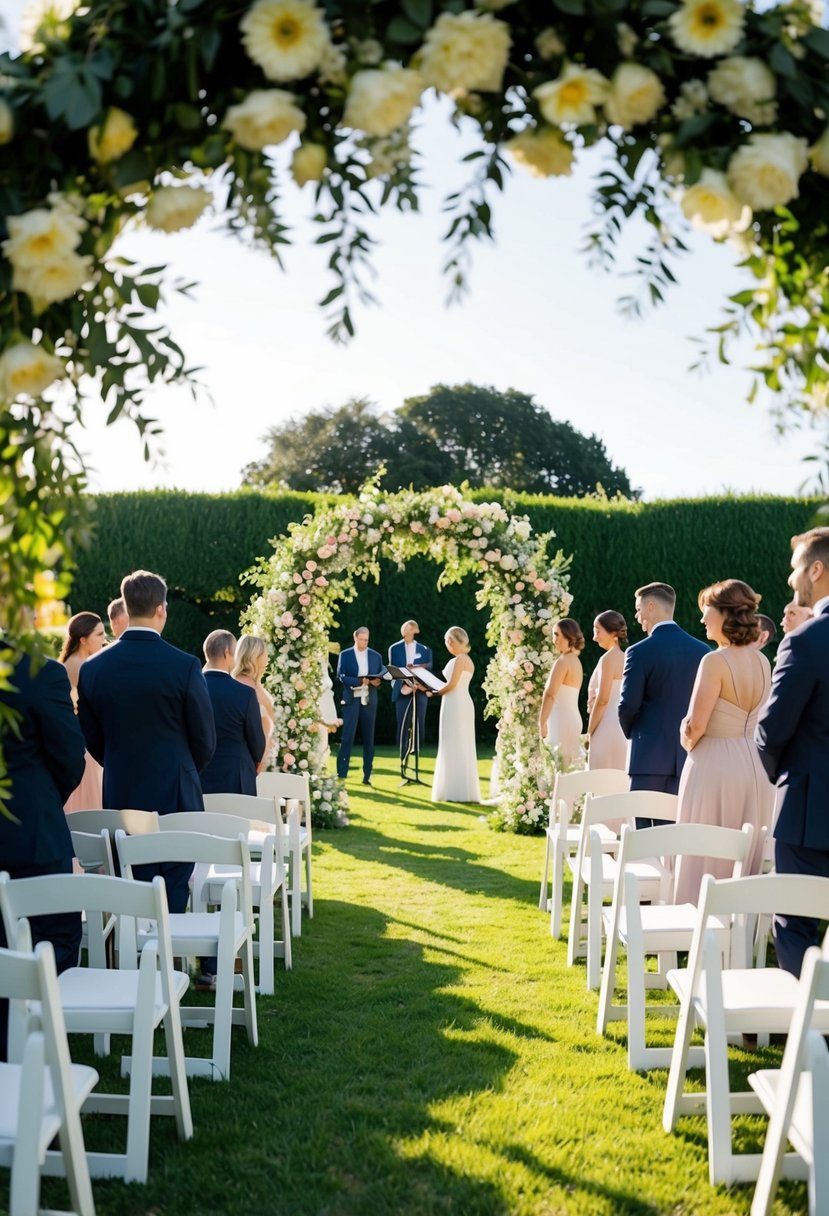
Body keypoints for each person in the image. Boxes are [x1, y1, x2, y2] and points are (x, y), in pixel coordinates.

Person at [77, 569, 216, 912]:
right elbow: (205, 739)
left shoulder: (93, 669)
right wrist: (183, 768)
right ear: (161, 609)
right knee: (175, 885)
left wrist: (120, 761)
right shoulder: (184, 665)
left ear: (126, 607)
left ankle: (136, 957)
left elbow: (92, 737)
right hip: (176, 792)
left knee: (130, 882)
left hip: (122, 789)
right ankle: (171, 959)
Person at [0, 639, 87, 1057]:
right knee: (55, 940)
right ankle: (39, 1050)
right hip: (31, 836)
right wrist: (42, 799)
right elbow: (70, 755)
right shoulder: (39, 671)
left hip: (30, 834)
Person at [756, 527, 829, 976]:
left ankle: (811, 1039)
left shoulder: (806, 641)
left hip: (808, 813)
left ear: (817, 570)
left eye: (796, 567)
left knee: (795, 922)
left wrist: (787, 779)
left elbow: (771, 730)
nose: (791, 580)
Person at [673, 580, 774, 903]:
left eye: (707, 613)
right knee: (743, 848)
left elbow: (695, 725)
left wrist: (686, 738)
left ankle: (696, 917)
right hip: (754, 767)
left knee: (704, 842)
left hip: (714, 767)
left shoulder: (714, 661)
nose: (702, 620)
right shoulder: (762, 661)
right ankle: (740, 924)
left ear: (726, 615)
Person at [618, 582, 709, 827]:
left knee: (644, 836)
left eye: (638, 610)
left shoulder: (639, 651)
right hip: (687, 758)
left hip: (647, 759)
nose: (636, 617)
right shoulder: (702, 651)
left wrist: (636, 735)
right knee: (676, 834)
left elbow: (627, 706)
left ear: (650, 606)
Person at [199, 629, 265, 796]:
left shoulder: (191, 689)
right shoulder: (245, 693)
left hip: (199, 776)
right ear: (227, 653)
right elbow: (257, 743)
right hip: (236, 778)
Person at [59, 611, 106, 812]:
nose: (105, 640)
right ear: (83, 639)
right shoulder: (81, 666)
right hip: (84, 744)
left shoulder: (69, 662)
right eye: (99, 635)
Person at [431, 626, 481, 803]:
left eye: (447, 641)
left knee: (452, 741)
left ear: (451, 641)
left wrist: (434, 692)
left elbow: (451, 685)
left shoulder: (460, 659)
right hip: (463, 702)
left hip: (455, 702)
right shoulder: (468, 660)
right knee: (461, 741)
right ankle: (461, 789)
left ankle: (453, 790)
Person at [336, 627, 386, 784]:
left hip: (369, 700)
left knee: (369, 739)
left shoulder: (376, 656)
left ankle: (367, 775)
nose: (364, 642)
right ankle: (342, 774)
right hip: (351, 700)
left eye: (367, 640)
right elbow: (341, 676)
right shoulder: (345, 655)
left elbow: (380, 675)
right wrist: (359, 681)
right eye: (362, 639)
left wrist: (377, 681)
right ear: (355, 638)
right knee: (347, 737)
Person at [538, 618, 584, 768]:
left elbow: (550, 694)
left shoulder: (563, 661)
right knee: (568, 768)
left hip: (561, 721)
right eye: (553, 635)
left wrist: (542, 722)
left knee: (558, 768)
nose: (554, 639)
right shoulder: (576, 661)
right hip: (572, 718)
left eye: (558, 635)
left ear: (569, 636)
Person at [586, 610, 627, 771]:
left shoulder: (608, 659)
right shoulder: (626, 657)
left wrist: (590, 731)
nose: (594, 637)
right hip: (621, 728)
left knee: (600, 779)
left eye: (597, 631)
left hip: (605, 726)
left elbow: (603, 700)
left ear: (613, 633)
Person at [388, 619, 433, 760]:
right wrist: (406, 685)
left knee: (419, 722)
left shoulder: (425, 649)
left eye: (413, 630)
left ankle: (416, 753)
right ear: (405, 632)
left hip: (420, 690)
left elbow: (429, 668)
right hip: (402, 691)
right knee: (402, 723)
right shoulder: (394, 649)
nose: (412, 633)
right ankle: (403, 754)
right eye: (410, 630)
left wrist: (419, 685)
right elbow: (393, 670)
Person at [232, 634, 275, 773]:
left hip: (268, 756)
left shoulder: (257, 683)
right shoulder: (240, 685)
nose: (267, 657)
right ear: (254, 655)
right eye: (264, 653)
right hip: (252, 760)